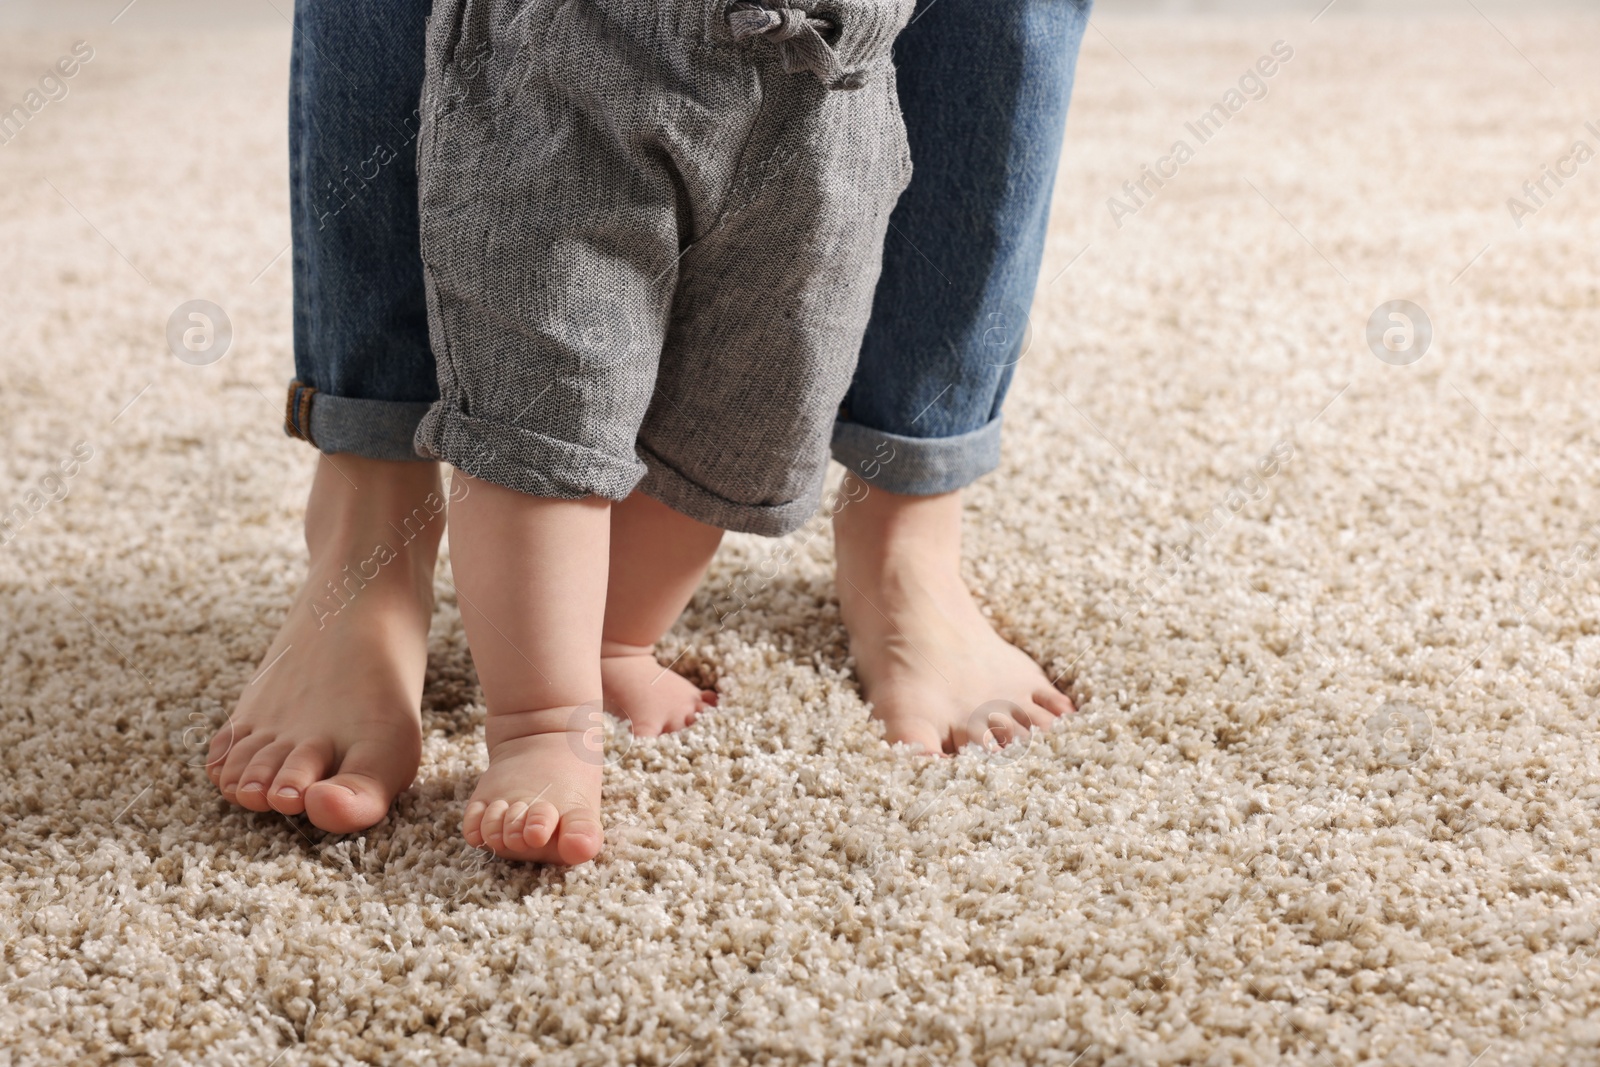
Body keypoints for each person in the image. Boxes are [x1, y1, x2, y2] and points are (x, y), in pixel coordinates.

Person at [207, 0, 1091, 859]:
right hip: (573, 62)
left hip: (839, 68)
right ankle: (540, 722)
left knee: (734, 421)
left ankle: (614, 640)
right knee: (546, 407)